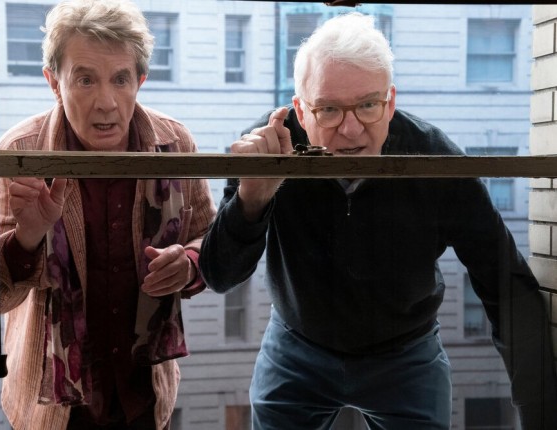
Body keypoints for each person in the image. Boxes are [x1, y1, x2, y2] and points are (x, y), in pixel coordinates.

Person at [199, 11, 557, 430]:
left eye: (368, 105)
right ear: (300, 109)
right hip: (297, 342)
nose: (351, 131)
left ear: (390, 103)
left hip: (407, 352)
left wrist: (541, 415)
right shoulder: (267, 148)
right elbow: (219, 276)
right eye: (328, 110)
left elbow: (506, 285)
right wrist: (252, 199)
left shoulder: (435, 157)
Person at [0, 1, 216, 428]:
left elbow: (208, 238)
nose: (106, 103)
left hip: (145, 396)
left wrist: (189, 263)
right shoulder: (21, 154)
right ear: (54, 83)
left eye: (120, 79)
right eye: (85, 80)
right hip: (51, 410)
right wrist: (28, 237)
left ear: (140, 81)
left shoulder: (175, 145)